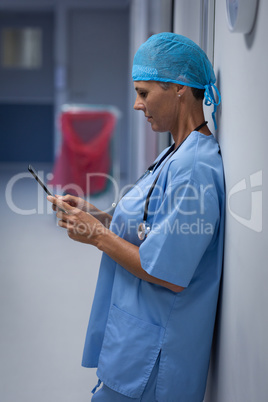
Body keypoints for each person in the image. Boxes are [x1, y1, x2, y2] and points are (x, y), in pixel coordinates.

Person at [48, 33, 225, 402]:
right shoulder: (174, 153)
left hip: (155, 357)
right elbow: (151, 229)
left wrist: (97, 234)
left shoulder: (194, 168)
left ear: (178, 88)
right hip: (135, 341)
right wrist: (97, 215)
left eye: (144, 93)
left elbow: (167, 272)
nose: (136, 104)